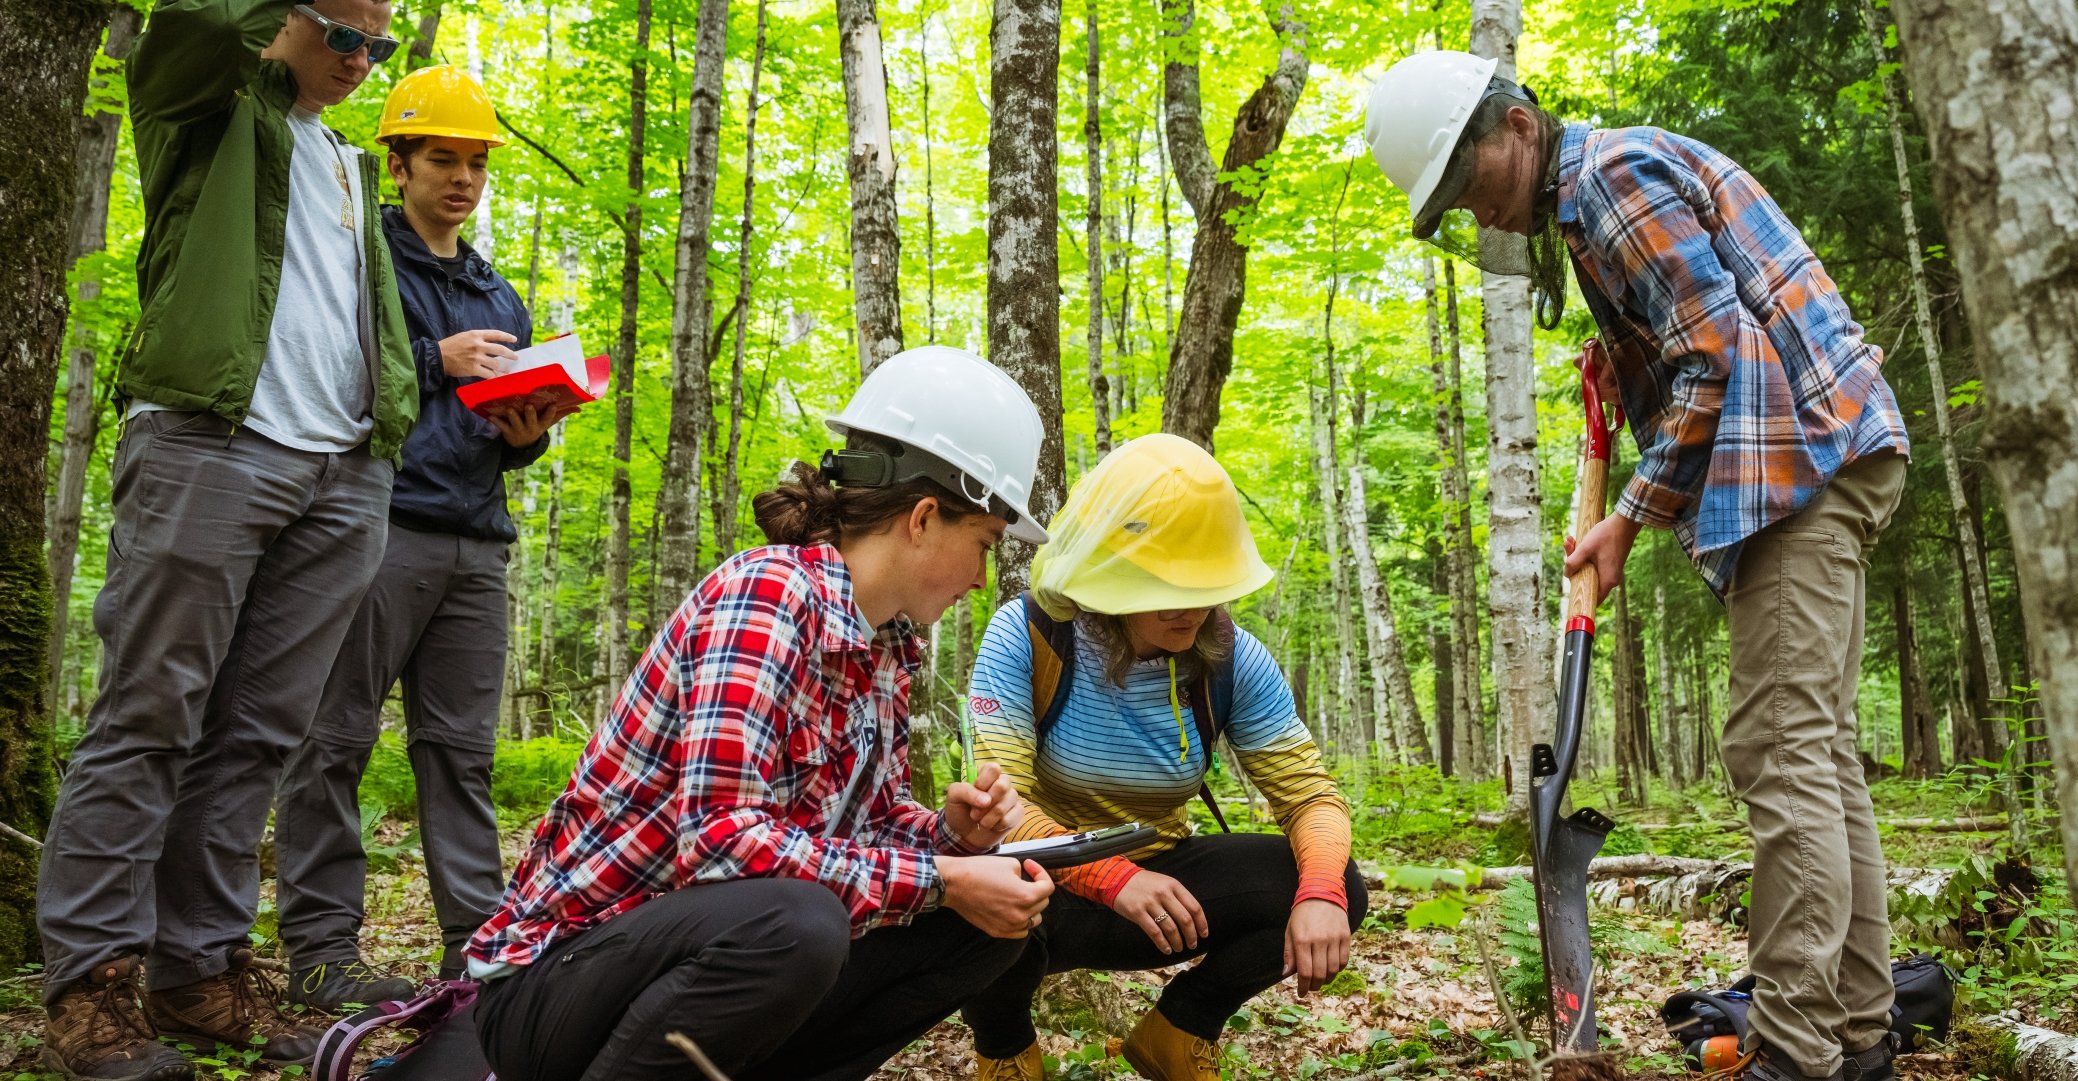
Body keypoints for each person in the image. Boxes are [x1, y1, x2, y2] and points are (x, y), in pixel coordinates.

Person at [1365, 53, 1912, 1081]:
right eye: (1455, 201)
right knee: (1821, 756)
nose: (1480, 209)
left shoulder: (1608, 181)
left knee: (1780, 751)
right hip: (1829, 446)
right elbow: (1693, 332)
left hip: (1804, 456)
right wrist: (1623, 366)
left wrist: (1625, 517)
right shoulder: (1599, 197)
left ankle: (1795, 1054)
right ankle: (1856, 1035)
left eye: (1471, 179)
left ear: (1517, 125)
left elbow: (1715, 352)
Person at [462, 346, 1057, 1081]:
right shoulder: (768, 596)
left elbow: (862, 829)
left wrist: (949, 838)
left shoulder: (888, 646)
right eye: (985, 545)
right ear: (925, 517)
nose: (979, 578)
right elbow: (721, 846)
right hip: (559, 982)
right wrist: (943, 877)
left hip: (704, 965)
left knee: (987, 930)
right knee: (799, 923)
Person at [37, 1, 417, 1077]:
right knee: (151, 712)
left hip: (342, 473)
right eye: (342, 34)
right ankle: (92, 985)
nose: (359, 61)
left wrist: (383, 432)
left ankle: (197, 971)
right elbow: (202, 19)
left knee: (258, 735)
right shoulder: (201, 106)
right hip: (213, 441)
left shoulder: (346, 163)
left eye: (377, 45)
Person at [273, 63, 574, 1012]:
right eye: (443, 158)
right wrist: (432, 360)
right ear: (396, 163)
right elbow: (329, 378)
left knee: (461, 752)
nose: (463, 179)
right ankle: (323, 951)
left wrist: (529, 432)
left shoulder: (499, 293)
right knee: (334, 739)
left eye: (476, 163)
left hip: (477, 545)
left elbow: (497, 442)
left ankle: (476, 949)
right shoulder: (357, 265)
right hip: (376, 525)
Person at [960, 434, 1369, 1081]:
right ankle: (1006, 1053)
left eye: (1202, 580)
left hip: (1166, 891)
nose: (1187, 603)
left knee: (1338, 882)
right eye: (1160, 580)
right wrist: (1112, 877)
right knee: (975, 883)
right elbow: (1001, 814)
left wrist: (1320, 893)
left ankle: (1178, 1032)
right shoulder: (1030, 636)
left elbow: (1309, 795)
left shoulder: (1232, 657)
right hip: (1050, 893)